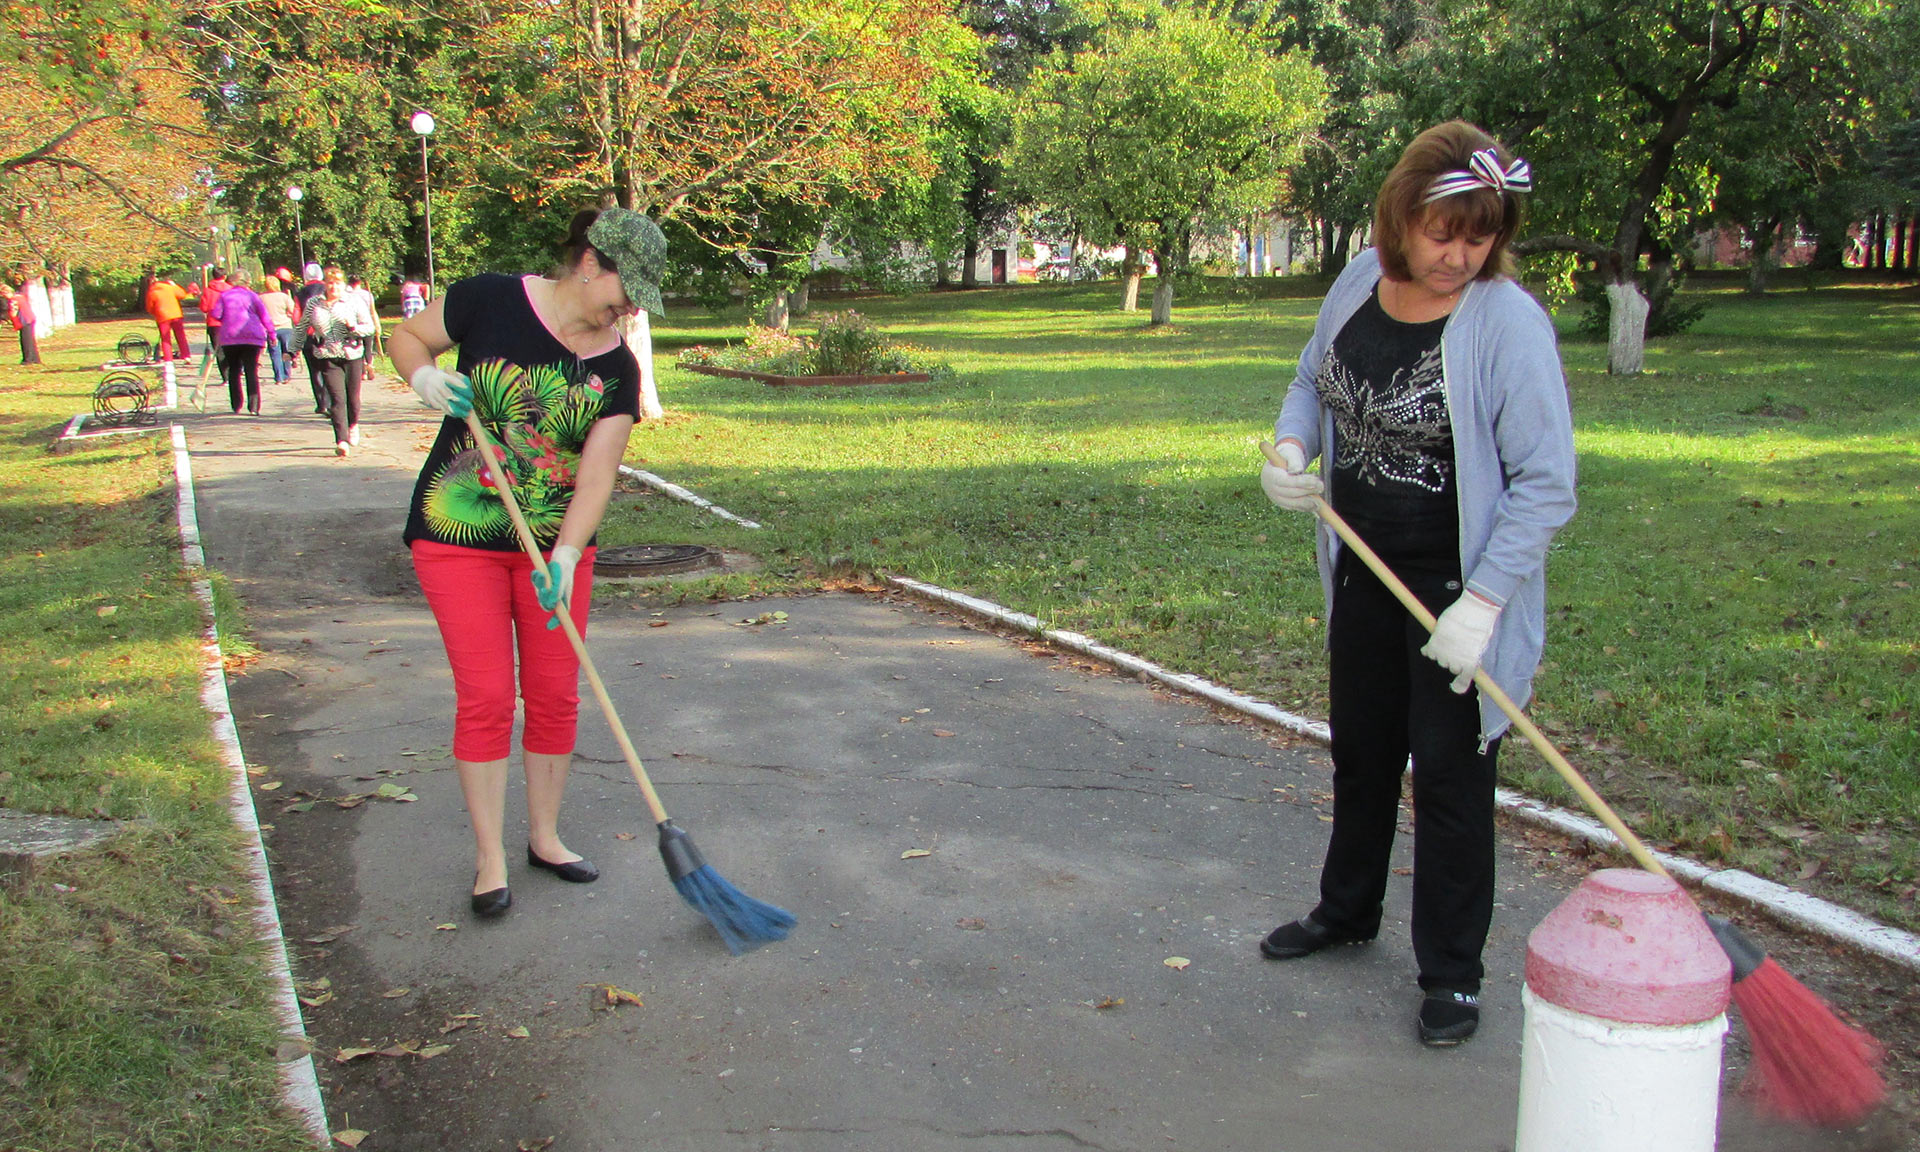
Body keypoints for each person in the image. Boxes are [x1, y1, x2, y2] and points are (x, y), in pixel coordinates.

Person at [1257, 121, 1576, 1047]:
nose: (1459, 256)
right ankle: (1346, 910)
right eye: (1444, 233)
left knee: (1448, 780)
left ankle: (1453, 976)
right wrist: (1292, 449)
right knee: (1361, 753)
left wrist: (1483, 605)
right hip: (1364, 569)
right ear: (1401, 217)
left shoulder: (1506, 324)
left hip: (1455, 588)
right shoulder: (1359, 281)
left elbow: (1547, 484)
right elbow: (1311, 381)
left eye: (1481, 236)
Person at [387, 206, 665, 919]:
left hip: (553, 549)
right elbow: (407, 337)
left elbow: (596, 477)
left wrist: (567, 553)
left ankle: (545, 837)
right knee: (486, 696)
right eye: (626, 290)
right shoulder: (489, 299)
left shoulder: (616, 367)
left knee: (554, 694)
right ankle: (490, 857)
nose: (630, 309)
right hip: (457, 538)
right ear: (591, 262)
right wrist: (424, 379)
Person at [290, 266, 379, 456]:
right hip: (327, 354)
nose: (333, 287)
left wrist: (353, 327)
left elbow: (369, 327)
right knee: (337, 399)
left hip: (352, 353)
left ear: (343, 284)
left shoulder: (354, 301)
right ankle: (341, 440)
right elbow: (302, 325)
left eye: (337, 283)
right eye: (330, 283)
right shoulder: (315, 303)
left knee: (352, 398)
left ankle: (353, 424)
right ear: (325, 284)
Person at [210, 268, 274, 415]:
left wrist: (228, 318)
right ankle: (254, 407)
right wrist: (272, 333)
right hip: (252, 338)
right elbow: (264, 316)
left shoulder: (224, 296)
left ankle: (236, 405)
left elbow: (216, 314)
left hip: (230, 338)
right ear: (247, 282)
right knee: (251, 370)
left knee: (234, 370)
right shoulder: (253, 296)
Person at [293, 263, 329, 415]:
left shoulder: (300, 293)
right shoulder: (329, 288)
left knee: (315, 371)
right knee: (329, 368)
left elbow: (296, 317)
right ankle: (331, 400)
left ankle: (321, 403)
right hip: (328, 333)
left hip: (309, 334)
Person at [145, 271, 198, 362]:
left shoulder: (152, 291)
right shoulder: (169, 287)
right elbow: (182, 295)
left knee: (165, 339)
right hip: (176, 314)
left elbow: (149, 307)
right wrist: (174, 285)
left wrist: (155, 313)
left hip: (162, 316)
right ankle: (186, 355)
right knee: (181, 336)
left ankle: (168, 360)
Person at [259, 274, 299, 386]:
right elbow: (292, 310)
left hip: (271, 329)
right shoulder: (284, 297)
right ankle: (287, 375)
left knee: (275, 353)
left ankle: (278, 377)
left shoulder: (262, 298)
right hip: (285, 326)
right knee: (286, 352)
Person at [4, 281, 40, 364]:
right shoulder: (20, 296)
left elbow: (13, 312)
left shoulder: (13, 300)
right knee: (31, 340)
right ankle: (35, 359)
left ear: (7, 292)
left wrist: (12, 321)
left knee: (25, 340)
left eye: (4, 294)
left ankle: (27, 359)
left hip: (24, 320)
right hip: (31, 318)